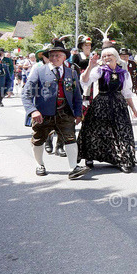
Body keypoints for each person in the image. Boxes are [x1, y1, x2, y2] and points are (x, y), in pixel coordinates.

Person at [23, 39, 86, 178]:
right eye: (51, 55)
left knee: (70, 138)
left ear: (64, 57)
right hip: (43, 114)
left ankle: (73, 168)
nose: (54, 58)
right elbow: (26, 93)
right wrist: (33, 110)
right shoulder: (39, 71)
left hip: (65, 112)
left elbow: (77, 95)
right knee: (38, 139)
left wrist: (78, 113)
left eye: (58, 55)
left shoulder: (71, 73)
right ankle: (39, 164)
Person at [76, 47, 137, 174]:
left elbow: (127, 93)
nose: (106, 57)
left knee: (122, 131)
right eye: (104, 56)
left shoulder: (123, 73)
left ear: (116, 57)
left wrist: (133, 108)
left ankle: (123, 159)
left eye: (109, 55)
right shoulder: (99, 70)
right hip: (101, 103)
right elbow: (85, 80)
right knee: (94, 129)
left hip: (118, 104)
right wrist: (89, 66)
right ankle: (89, 157)